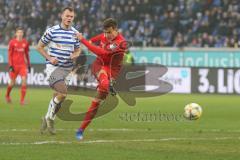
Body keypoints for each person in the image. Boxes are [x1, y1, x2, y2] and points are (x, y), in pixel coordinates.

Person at [75, 18, 127, 140]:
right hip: (99, 66)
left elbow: (102, 53)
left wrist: (83, 40)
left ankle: (80, 130)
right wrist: (90, 41)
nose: (107, 35)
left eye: (109, 32)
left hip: (112, 71)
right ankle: (108, 86)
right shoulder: (105, 35)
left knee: (95, 104)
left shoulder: (120, 43)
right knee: (103, 78)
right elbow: (97, 39)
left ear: (115, 29)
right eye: (105, 32)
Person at [36, 7, 81, 135]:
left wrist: (75, 55)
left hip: (67, 69)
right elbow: (39, 47)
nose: (69, 18)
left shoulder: (75, 33)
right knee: (63, 93)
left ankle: (46, 118)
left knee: (58, 97)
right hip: (53, 68)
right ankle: (50, 118)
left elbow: (78, 49)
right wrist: (50, 58)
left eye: (71, 17)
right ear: (62, 16)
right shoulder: (52, 31)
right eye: (67, 16)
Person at [5, 27, 30, 105]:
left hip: (22, 65)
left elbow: (26, 54)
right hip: (14, 66)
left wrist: (28, 64)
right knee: (12, 83)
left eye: (21, 32)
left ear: (23, 34)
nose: (20, 34)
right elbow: (9, 55)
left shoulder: (25, 42)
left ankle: (22, 100)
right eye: (18, 32)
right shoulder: (12, 42)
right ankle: (7, 95)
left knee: (24, 81)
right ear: (16, 34)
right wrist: (10, 65)